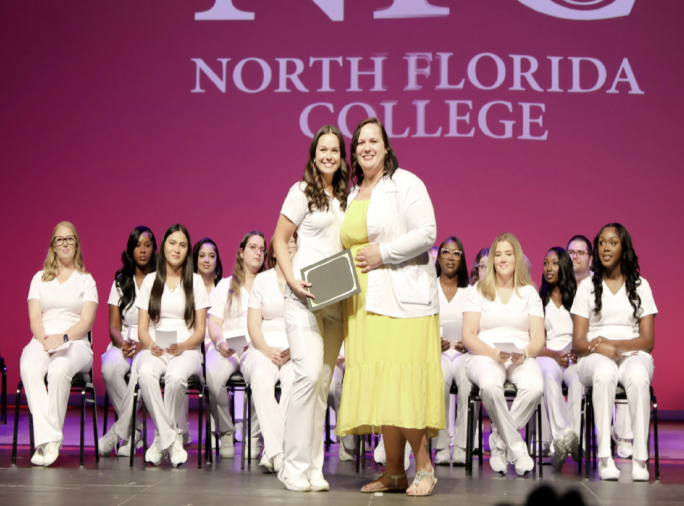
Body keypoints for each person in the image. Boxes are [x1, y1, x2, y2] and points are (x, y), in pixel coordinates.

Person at [336, 117, 443, 496]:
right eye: (360, 142)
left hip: (402, 300)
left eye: (373, 141)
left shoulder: (406, 183)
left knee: (402, 384)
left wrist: (383, 253)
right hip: (362, 302)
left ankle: (424, 466)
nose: (366, 147)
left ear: (386, 147)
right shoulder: (352, 193)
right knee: (383, 385)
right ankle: (394, 471)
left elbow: (427, 232)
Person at [272, 125, 348, 492]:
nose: (329, 156)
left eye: (335, 150)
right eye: (323, 150)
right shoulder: (301, 191)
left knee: (322, 384)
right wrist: (291, 280)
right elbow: (279, 238)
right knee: (306, 377)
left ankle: (314, 468)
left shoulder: (347, 197)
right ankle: (292, 466)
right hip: (303, 297)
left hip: (335, 298)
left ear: (341, 156)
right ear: (314, 155)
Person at [571, 223, 657, 481]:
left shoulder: (641, 285)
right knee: (605, 371)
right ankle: (605, 457)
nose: (605, 248)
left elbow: (647, 340)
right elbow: (578, 343)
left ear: (624, 247)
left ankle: (640, 460)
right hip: (593, 356)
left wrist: (614, 345)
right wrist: (599, 346)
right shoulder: (587, 286)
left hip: (632, 353)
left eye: (613, 242)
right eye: (601, 243)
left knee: (639, 376)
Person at [462, 233, 544, 477]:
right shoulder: (478, 290)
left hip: (519, 355)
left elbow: (538, 338)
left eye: (508, 253)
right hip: (484, 353)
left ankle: (498, 439)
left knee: (535, 387)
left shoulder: (529, 293)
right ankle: (516, 448)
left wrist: (525, 352)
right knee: (489, 385)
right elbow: (468, 335)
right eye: (498, 254)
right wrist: (492, 353)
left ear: (517, 257)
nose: (503, 259)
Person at [21, 221, 98, 467]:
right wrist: (44, 340)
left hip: (75, 342)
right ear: (53, 245)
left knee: (58, 368)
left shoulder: (86, 280)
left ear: (76, 244)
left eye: (69, 238)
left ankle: (48, 443)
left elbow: (86, 322)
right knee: (28, 365)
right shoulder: (39, 279)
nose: (65, 243)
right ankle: (49, 437)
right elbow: (35, 318)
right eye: (59, 239)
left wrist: (63, 337)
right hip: (43, 337)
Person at [134, 224, 211, 467]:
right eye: (172, 243)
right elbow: (142, 329)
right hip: (156, 346)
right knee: (145, 372)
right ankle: (171, 438)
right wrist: (151, 345)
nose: (177, 249)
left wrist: (183, 345)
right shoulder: (150, 281)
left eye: (183, 245)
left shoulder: (195, 282)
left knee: (176, 376)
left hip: (187, 347)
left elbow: (200, 331)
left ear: (187, 251)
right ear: (164, 246)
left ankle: (160, 438)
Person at [568, 234, 633, 459]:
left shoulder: (600, 285)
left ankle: (621, 436)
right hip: (569, 354)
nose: (574, 257)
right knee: (548, 374)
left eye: (580, 252)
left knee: (624, 366)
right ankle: (568, 440)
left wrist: (593, 347)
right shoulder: (553, 286)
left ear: (590, 258)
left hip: (591, 351)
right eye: (570, 252)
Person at [207, 232, 267, 459]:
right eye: (252, 247)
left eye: (262, 249)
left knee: (261, 376)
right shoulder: (224, 286)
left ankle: (254, 436)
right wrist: (220, 342)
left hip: (257, 347)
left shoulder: (268, 284)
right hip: (229, 347)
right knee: (212, 374)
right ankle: (226, 431)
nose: (258, 252)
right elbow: (214, 322)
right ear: (241, 252)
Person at [99, 226, 157, 457]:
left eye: (147, 245)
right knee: (109, 367)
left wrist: (144, 343)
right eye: (137, 245)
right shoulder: (120, 282)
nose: (142, 250)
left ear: (154, 249)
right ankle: (136, 429)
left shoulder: (161, 281)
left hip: (150, 344)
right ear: (130, 250)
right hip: (124, 343)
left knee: (140, 373)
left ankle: (118, 432)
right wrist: (122, 342)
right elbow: (113, 326)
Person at [243, 235, 297, 473]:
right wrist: (266, 350)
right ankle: (279, 451)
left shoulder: (304, 277)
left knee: (294, 379)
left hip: (294, 347)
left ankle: (271, 451)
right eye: (284, 242)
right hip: (263, 346)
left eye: (293, 241)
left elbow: (311, 322)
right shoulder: (262, 280)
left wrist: (293, 349)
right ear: (273, 251)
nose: (289, 246)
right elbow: (253, 324)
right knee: (260, 377)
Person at [536, 247, 581, 471]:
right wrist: (553, 355)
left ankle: (568, 441)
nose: (548, 268)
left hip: (572, 356)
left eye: (554, 263)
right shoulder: (538, 300)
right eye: (545, 263)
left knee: (579, 379)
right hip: (547, 355)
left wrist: (577, 352)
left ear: (564, 266)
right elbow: (534, 341)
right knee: (548, 373)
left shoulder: (578, 298)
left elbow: (584, 334)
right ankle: (566, 435)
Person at [433, 236, 474, 466]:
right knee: (439, 378)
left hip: (463, 352)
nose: (451, 257)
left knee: (467, 382)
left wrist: (470, 343)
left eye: (456, 253)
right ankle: (441, 445)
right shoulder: (429, 288)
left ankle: (461, 445)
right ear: (438, 257)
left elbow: (479, 327)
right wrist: (432, 342)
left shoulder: (471, 292)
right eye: (446, 252)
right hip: (437, 352)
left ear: (462, 258)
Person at [193, 237, 223, 447]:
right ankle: (180, 430)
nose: (206, 260)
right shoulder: (187, 286)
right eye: (202, 256)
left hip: (215, 344)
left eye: (211, 256)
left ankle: (215, 429)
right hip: (192, 344)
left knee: (214, 374)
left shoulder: (224, 287)